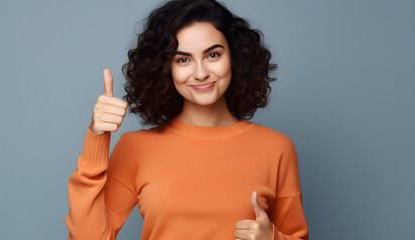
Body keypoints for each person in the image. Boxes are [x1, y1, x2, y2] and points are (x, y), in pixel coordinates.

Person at [65, 0, 309, 239]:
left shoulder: (276, 148)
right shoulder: (134, 148)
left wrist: (273, 238)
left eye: (213, 55)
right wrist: (96, 137)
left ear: (234, 58)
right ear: (165, 68)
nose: (201, 73)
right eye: (183, 59)